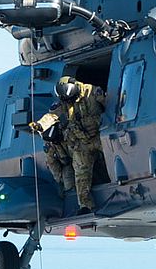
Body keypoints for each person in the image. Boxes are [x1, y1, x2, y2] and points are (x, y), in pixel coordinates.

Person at [29, 75, 104, 215]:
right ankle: (85, 205)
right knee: (81, 173)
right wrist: (40, 125)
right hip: (82, 143)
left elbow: (109, 104)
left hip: (99, 136)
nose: (69, 102)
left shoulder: (92, 91)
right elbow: (52, 115)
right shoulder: (64, 102)